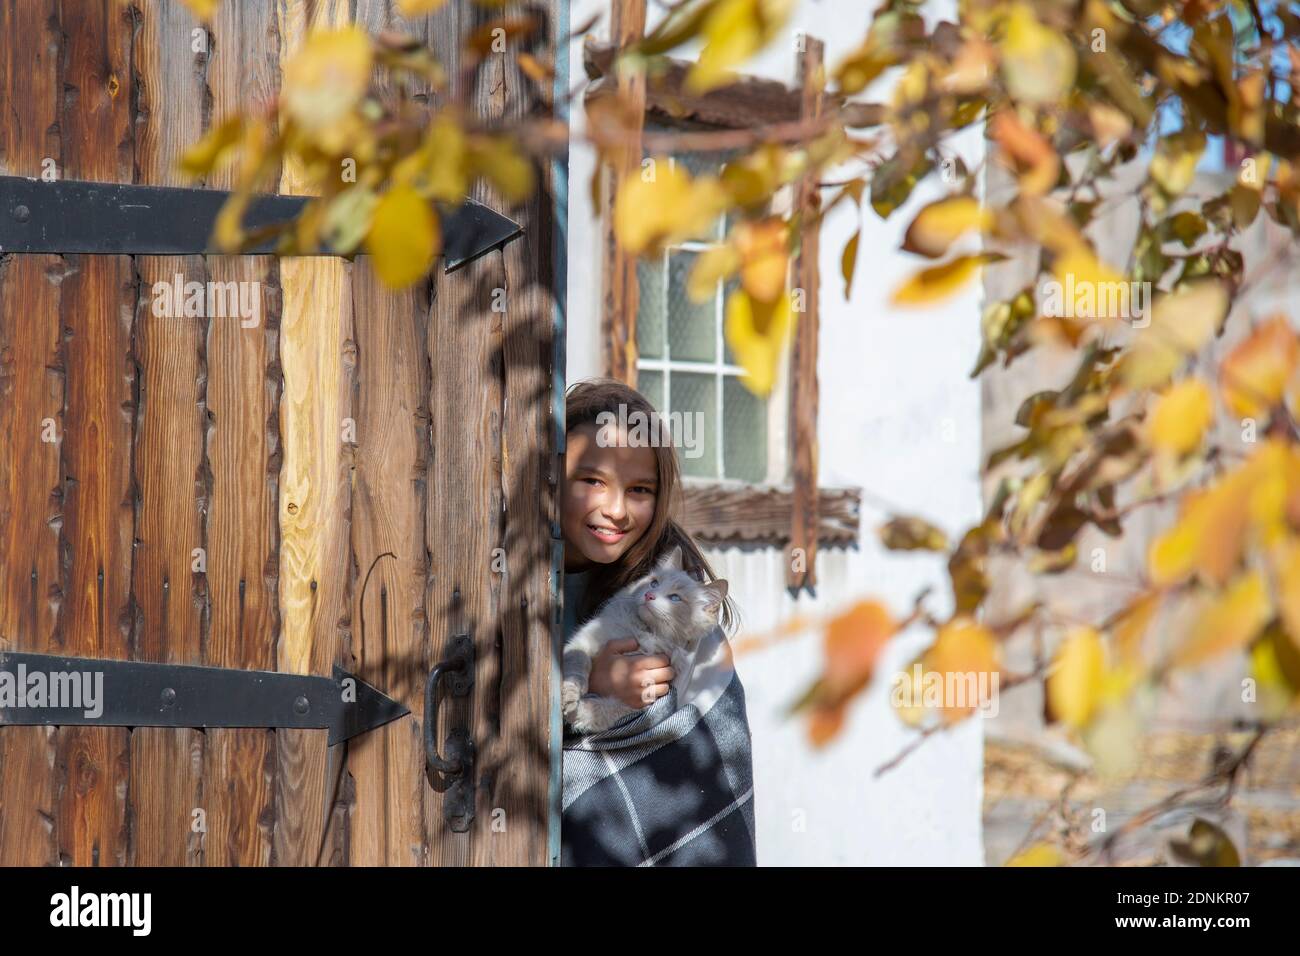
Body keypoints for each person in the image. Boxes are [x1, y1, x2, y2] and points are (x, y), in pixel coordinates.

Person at [560, 377, 756, 866]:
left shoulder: (674, 590)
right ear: (551, 475)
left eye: (640, 489)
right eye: (592, 481)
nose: (616, 509)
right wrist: (590, 684)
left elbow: (715, 740)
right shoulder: (502, 577)